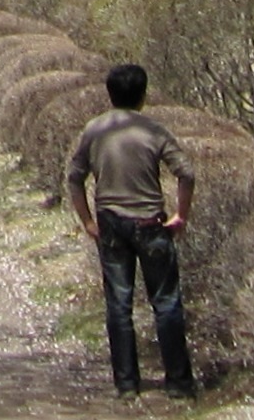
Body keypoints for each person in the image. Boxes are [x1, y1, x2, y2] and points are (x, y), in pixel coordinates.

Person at [63, 61, 196, 400]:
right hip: (151, 223)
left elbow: (75, 178)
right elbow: (186, 173)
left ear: (110, 94)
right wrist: (180, 214)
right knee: (165, 302)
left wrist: (88, 221)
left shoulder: (95, 130)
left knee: (118, 304)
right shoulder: (153, 130)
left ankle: (126, 383)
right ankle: (178, 383)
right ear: (143, 95)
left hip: (110, 224)